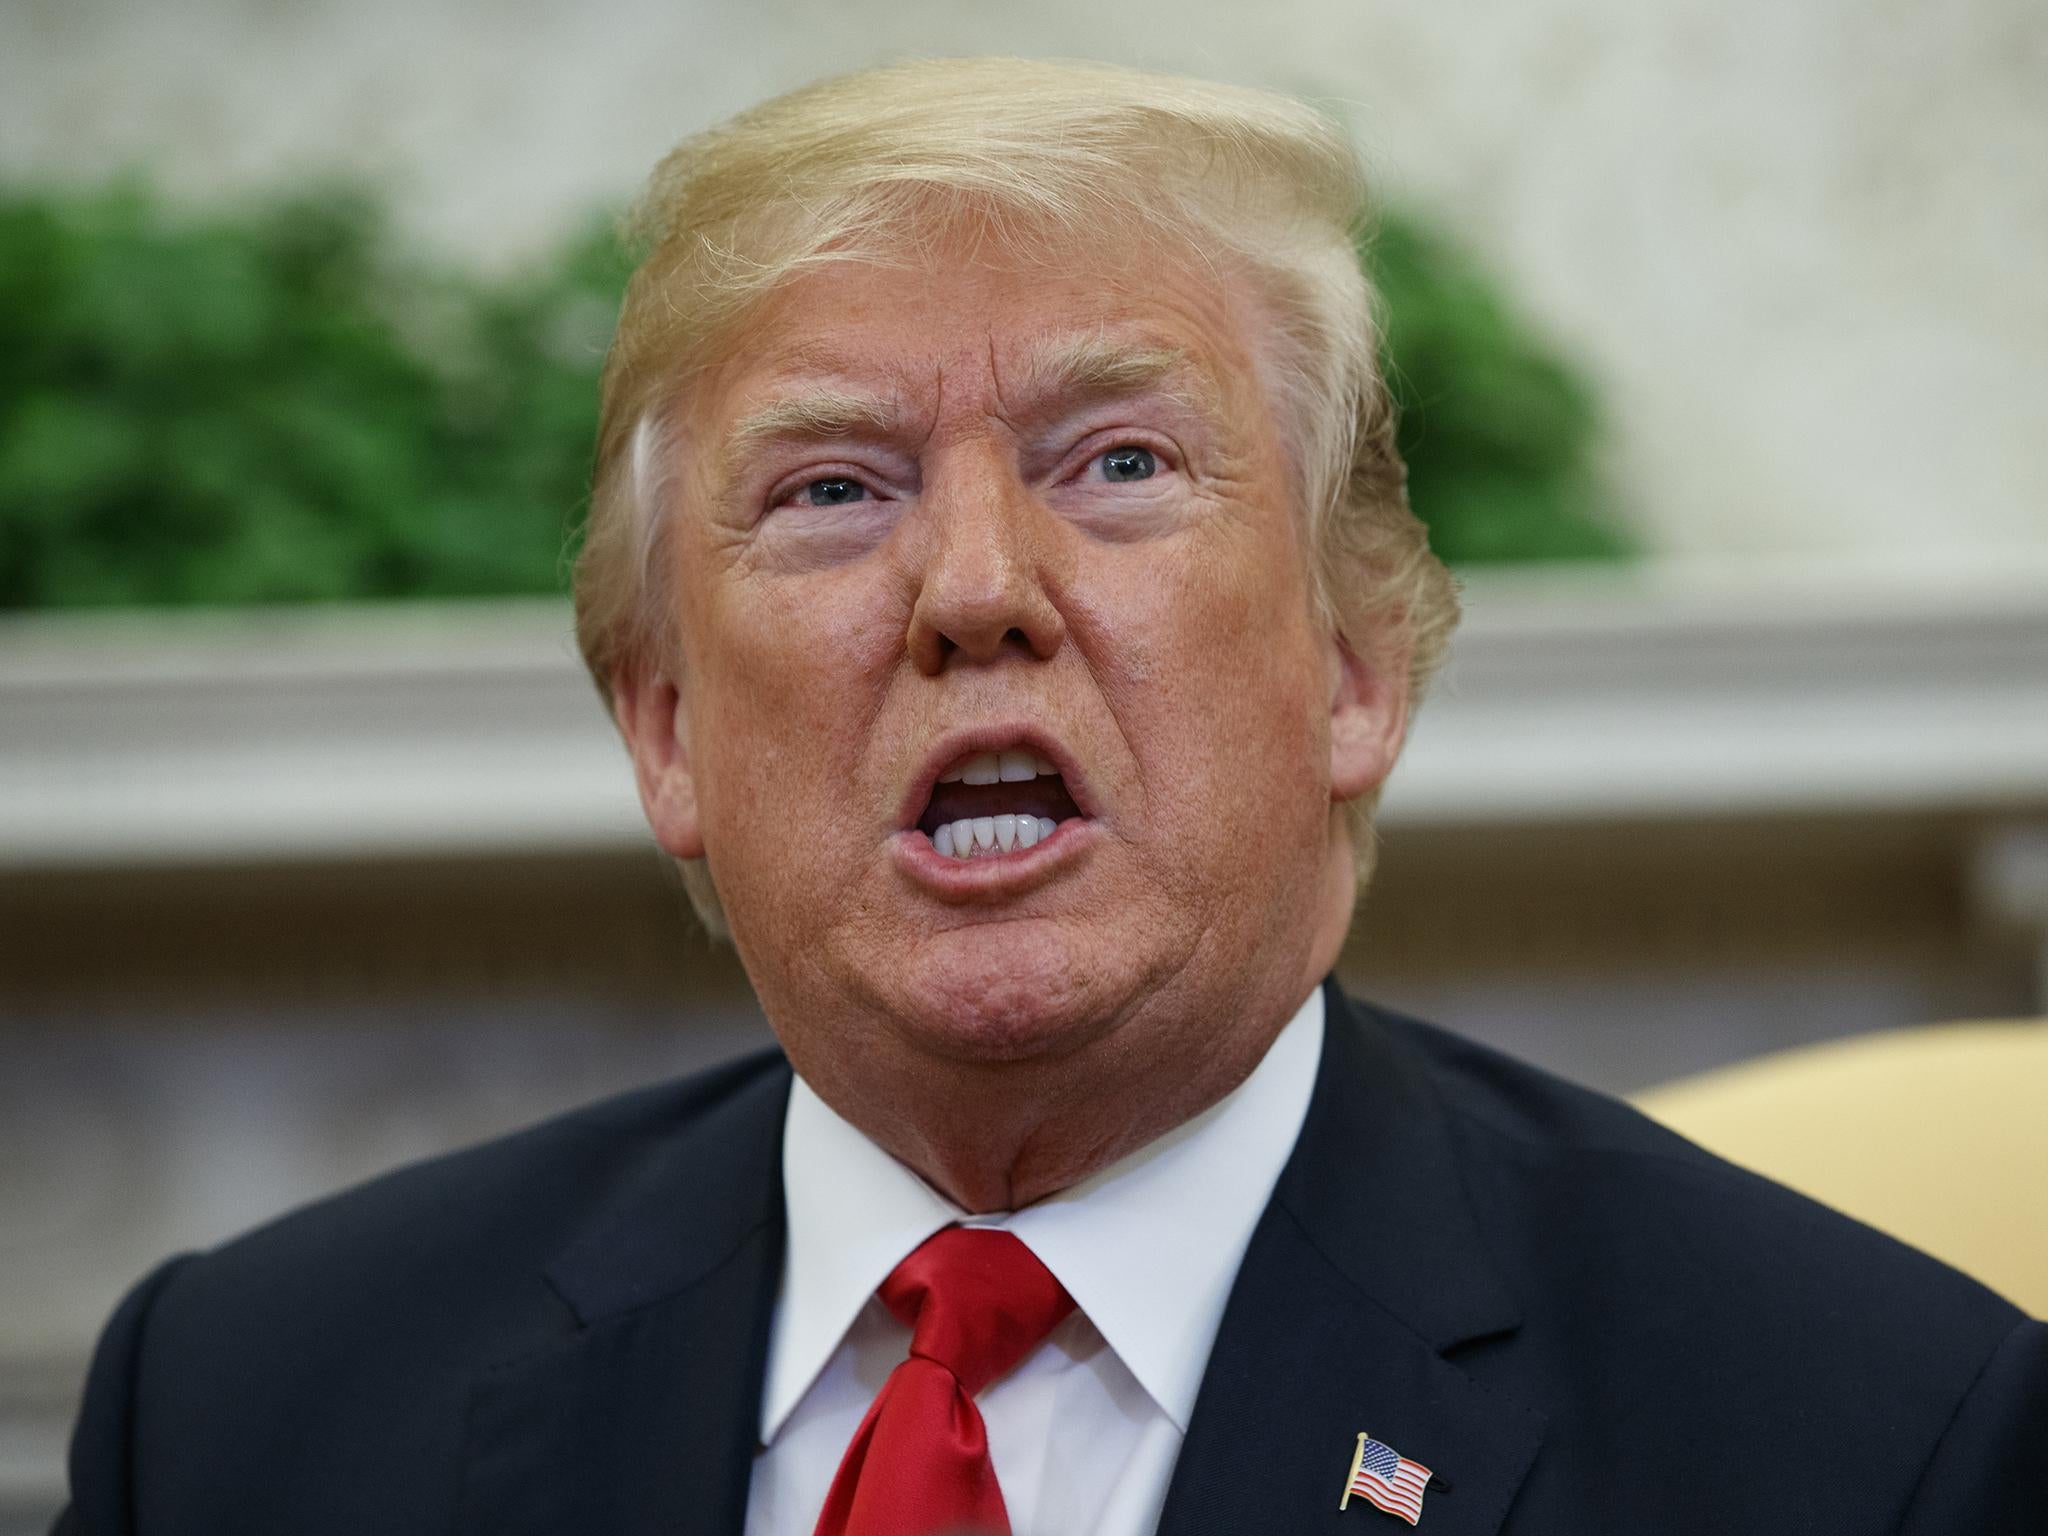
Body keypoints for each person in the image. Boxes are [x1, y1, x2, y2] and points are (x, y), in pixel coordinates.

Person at [55, 57, 2046, 1536]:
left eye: (1115, 464)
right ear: (662, 730)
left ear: (1354, 671)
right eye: (833, 487)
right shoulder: (243, 1414)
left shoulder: (1867, 1446)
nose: (978, 591)